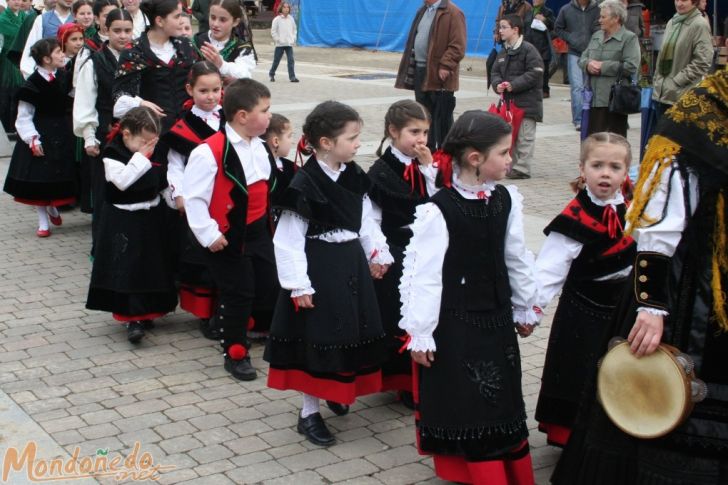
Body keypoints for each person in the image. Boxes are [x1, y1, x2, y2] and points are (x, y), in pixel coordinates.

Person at [551, 68, 728, 485]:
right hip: (688, 287)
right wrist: (651, 305)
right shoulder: (695, 118)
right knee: (661, 396)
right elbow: (658, 226)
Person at [398, 110, 539, 485]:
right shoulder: (438, 210)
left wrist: (526, 305)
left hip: (496, 318)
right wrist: (421, 331)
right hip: (458, 324)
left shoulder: (506, 200)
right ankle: (480, 474)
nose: (510, 159)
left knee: (503, 399)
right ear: (476, 159)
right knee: (470, 402)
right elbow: (423, 276)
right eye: (504, 153)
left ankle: (511, 472)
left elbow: (516, 256)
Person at [264, 100, 393, 447]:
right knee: (318, 339)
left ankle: (339, 386)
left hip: (351, 266)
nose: (357, 144)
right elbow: (288, 240)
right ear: (325, 143)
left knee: (350, 331)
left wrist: (377, 251)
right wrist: (298, 285)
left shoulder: (353, 174)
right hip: (319, 268)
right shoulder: (305, 183)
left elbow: (366, 219)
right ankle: (309, 412)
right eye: (351, 138)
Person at [534, 132, 636, 448]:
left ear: (626, 172)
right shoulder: (573, 218)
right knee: (577, 371)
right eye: (597, 165)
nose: (606, 173)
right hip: (582, 310)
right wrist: (532, 309)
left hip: (622, 309)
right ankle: (569, 433)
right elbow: (549, 270)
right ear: (582, 169)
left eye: (615, 167)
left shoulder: (634, 211)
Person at [184, 78, 281, 381]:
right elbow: (194, 199)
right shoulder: (209, 151)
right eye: (264, 110)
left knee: (269, 284)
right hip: (228, 235)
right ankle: (235, 350)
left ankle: (232, 323)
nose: (269, 116)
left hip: (258, 231)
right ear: (242, 116)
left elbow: (268, 187)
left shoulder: (262, 146)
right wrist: (209, 235)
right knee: (239, 292)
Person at [86, 106, 177, 343]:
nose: (150, 147)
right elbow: (123, 181)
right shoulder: (112, 153)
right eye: (144, 142)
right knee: (128, 267)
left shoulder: (155, 151)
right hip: (123, 219)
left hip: (151, 215)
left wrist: (175, 201)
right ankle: (131, 317)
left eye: (153, 142)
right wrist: (141, 158)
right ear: (126, 134)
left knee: (151, 264)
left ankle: (150, 310)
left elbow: (163, 181)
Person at [367, 99, 436, 410]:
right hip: (397, 252)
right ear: (393, 131)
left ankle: (426, 375)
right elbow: (373, 219)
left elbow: (442, 202)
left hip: (427, 252)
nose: (420, 139)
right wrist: (379, 252)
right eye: (413, 132)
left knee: (426, 313)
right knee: (398, 317)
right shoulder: (380, 172)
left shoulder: (429, 166)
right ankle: (402, 383)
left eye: (424, 132)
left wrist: (429, 169)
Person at [162, 60, 224, 338]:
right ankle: (205, 312)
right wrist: (179, 194)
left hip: (226, 194)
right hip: (199, 196)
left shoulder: (231, 118)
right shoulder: (183, 126)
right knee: (201, 255)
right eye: (203, 91)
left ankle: (226, 306)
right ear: (190, 90)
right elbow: (175, 164)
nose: (210, 96)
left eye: (216, 90)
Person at [3, 38, 76, 237]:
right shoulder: (31, 85)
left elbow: (75, 97)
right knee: (40, 177)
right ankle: (43, 220)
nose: (63, 54)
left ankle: (53, 207)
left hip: (62, 132)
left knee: (58, 174)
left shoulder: (65, 77)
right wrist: (32, 139)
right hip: (41, 132)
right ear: (46, 59)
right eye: (58, 52)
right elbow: (24, 116)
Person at [73, 7, 132, 239]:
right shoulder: (94, 61)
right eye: (117, 30)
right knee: (104, 188)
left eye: (127, 30)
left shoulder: (137, 59)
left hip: (135, 133)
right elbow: (85, 100)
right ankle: (103, 242)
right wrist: (89, 136)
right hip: (106, 130)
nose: (122, 35)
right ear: (106, 29)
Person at [113, 0, 197, 134]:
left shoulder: (186, 46)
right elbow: (120, 95)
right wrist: (140, 103)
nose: (182, 21)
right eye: (177, 16)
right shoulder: (134, 53)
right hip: (152, 132)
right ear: (160, 21)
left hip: (188, 130)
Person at [395, 0, 466, 150]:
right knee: (424, 115)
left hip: (439, 74)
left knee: (441, 117)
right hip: (420, 70)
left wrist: (446, 65)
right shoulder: (422, 11)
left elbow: (458, 45)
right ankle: (427, 149)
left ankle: (445, 153)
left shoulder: (453, 12)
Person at [491, 14, 544, 180]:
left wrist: (514, 84)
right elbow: (495, 72)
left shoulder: (529, 49)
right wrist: (497, 84)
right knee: (510, 136)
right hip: (508, 103)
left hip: (528, 103)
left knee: (524, 137)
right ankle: (510, 166)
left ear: (515, 30)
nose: (500, 31)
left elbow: (536, 72)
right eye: (500, 27)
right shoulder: (503, 51)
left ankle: (522, 168)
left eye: (504, 27)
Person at [579, 0, 640, 137]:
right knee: (594, 140)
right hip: (593, 99)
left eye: (603, 17)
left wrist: (603, 66)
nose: (599, 20)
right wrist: (588, 64)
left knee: (614, 141)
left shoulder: (629, 38)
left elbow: (631, 66)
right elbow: (582, 59)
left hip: (615, 100)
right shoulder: (596, 36)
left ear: (616, 18)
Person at [650, 0, 712, 123]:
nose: (679, 3)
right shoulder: (672, 22)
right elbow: (662, 56)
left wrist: (677, 81)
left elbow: (703, 61)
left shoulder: (699, 24)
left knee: (675, 141)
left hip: (681, 97)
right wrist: (657, 81)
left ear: (694, 2)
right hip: (661, 95)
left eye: (684, 0)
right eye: (677, 0)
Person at [554, 0, 600, 131]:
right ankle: (579, 119)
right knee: (577, 86)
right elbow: (558, 28)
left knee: (591, 86)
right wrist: (570, 38)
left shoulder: (598, 9)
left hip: (593, 52)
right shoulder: (566, 9)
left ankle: (591, 117)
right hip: (574, 52)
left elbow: (602, 27)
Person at [192, 0, 255, 85]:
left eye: (222, 20)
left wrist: (221, 65)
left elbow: (245, 75)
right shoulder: (196, 41)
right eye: (213, 17)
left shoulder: (242, 48)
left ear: (235, 22)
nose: (215, 24)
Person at [18, 0, 73, 78]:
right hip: (47, 76)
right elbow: (31, 50)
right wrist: (33, 75)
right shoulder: (42, 19)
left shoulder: (79, 19)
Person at [0, 0, 27, 137]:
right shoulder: (2, 20)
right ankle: (8, 129)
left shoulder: (26, 17)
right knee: (8, 95)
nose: (17, 2)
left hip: (24, 60)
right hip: (8, 62)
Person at [525, 0, 555, 98]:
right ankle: (532, 89)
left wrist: (545, 20)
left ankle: (545, 90)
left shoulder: (548, 12)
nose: (535, 0)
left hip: (542, 45)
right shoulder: (529, 11)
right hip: (529, 44)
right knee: (530, 67)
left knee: (543, 69)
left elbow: (555, 26)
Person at [263, 112, 296, 199]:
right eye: (289, 136)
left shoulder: (292, 167)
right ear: (276, 141)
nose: (293, 142)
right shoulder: (263, 170)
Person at [268, 1, 297, 83]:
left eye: (288, 7)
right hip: (279, 45)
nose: (286, 9)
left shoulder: (291, 18)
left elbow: (294, 29)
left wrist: (293, 38)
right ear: (281, 8)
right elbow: (273, 31)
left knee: (291, 60)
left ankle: (292, 77)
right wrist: (278, 39)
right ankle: (271, 74)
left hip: (289, 44)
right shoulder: (277, 19)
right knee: (276, 61)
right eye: (284, 7)